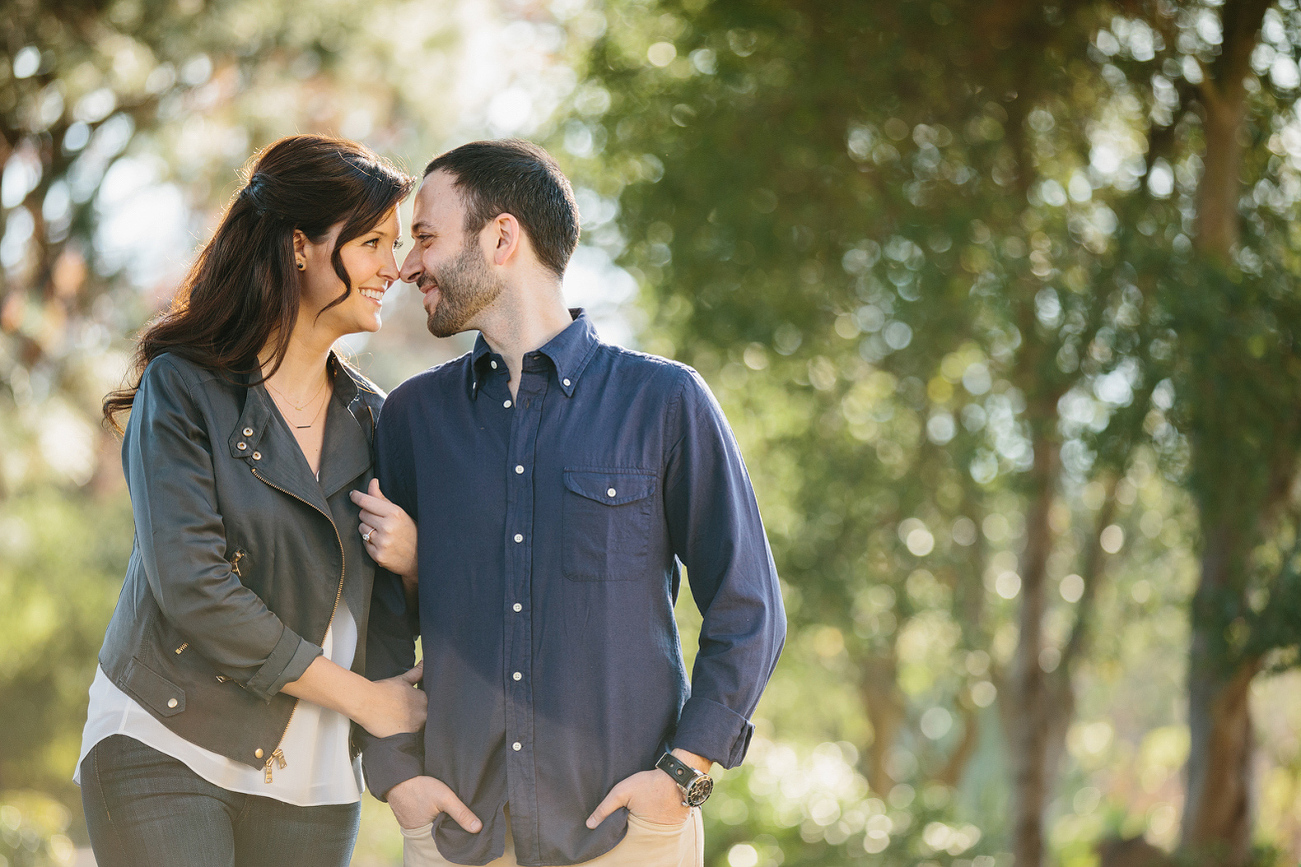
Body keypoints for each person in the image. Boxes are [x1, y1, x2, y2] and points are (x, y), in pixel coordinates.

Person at [352, 139, 786, 867]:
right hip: (461, 834)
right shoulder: (412, 419)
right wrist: (398, 776)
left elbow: (749, 607)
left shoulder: (664, 402)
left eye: (425, 237)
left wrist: (685, 774)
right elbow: (379, 619)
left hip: (626, 835)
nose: (406, 265)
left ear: (501, 237)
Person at [80, 134, 425, 867]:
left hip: (316, 780)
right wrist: (366, 700)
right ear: (300, 246)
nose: (392, 269)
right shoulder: (184, 387)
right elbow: (195, 587)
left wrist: (418, 564)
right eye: (371, 243)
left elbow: (393, 619)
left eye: (393, 246)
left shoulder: (378, 421)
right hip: (164, 739)